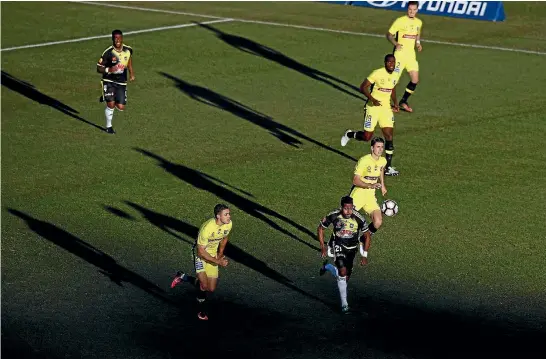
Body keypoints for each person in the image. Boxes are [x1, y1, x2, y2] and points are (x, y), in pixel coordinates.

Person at [341, 54, 400, 176]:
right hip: (372, 108)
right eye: (389, 62)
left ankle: (388, 167)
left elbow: (392, 88)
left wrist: (396, 103)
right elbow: (363, 87)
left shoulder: (395, 74)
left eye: (393, 62)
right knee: (367, 137)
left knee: (389, 136)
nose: (391, 64)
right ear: (385, 63)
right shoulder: (377, 73)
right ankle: (350, 134)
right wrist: (372, 99)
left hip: (385, 109)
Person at [171, 204, 232, 321]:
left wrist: (220, 254)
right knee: (203, 285)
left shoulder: (228, 224)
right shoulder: (207, 229)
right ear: (218, 216)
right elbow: (201, 252)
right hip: (200, 256)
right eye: (226, 214)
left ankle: (183, 277)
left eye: (229, 214)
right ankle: (201, 311)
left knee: (211, 288)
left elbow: (224, 238)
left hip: (213, 255)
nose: (229, 216)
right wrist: (218, 261)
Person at [318, 196, 371, 314]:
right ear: (341, 207)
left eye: (350, 208)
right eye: (346, 208)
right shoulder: (334, 215)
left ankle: (328, 267)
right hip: (337, 245)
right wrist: (323, 247)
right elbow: (321, 228)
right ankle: (344, 305)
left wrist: (364, 255)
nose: (348, 211)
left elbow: (367, 235)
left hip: (352, 249)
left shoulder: (359, 218)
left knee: (344, 279)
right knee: (342, 272)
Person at [96, 29, 135, 134]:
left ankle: (106, 96)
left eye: (119, 38)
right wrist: (109, 70)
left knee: (121, 107)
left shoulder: (128, 50)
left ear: (122, 38)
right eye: (115, 38)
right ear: (112, 39)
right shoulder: (108, 53)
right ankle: (109, 127)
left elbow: (129, 62)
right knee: (111, 104)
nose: (117, 40)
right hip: (109, 80)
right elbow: (98, 68)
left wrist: (131, 74)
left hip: (122, 82)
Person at [386, 1, 423, 113]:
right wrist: (395, 43)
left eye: (414, 10)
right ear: (407, 9)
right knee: (393, 81)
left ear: (417, 10)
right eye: (410, 9)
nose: (411, 12)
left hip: (411, 56)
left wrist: (418, 43)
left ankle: (403, 101)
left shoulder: (419, 22)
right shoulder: (400, 21)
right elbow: (389, 34)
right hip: (399, 56)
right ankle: (387, 104)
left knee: (415, 80)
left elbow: (417, 32)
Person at [349, 137, 388, 237]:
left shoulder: (383, 160)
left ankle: (364, 239)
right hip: (358, 194)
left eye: (382, 147)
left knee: (378, 221)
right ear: (372, 148)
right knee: (346, 222)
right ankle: (332, 243)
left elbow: (381, 170)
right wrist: (371, 185)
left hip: (370, 196)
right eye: (378, 147)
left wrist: (383, 185)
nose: (380, 149)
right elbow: (355, 180)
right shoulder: (364, 160)